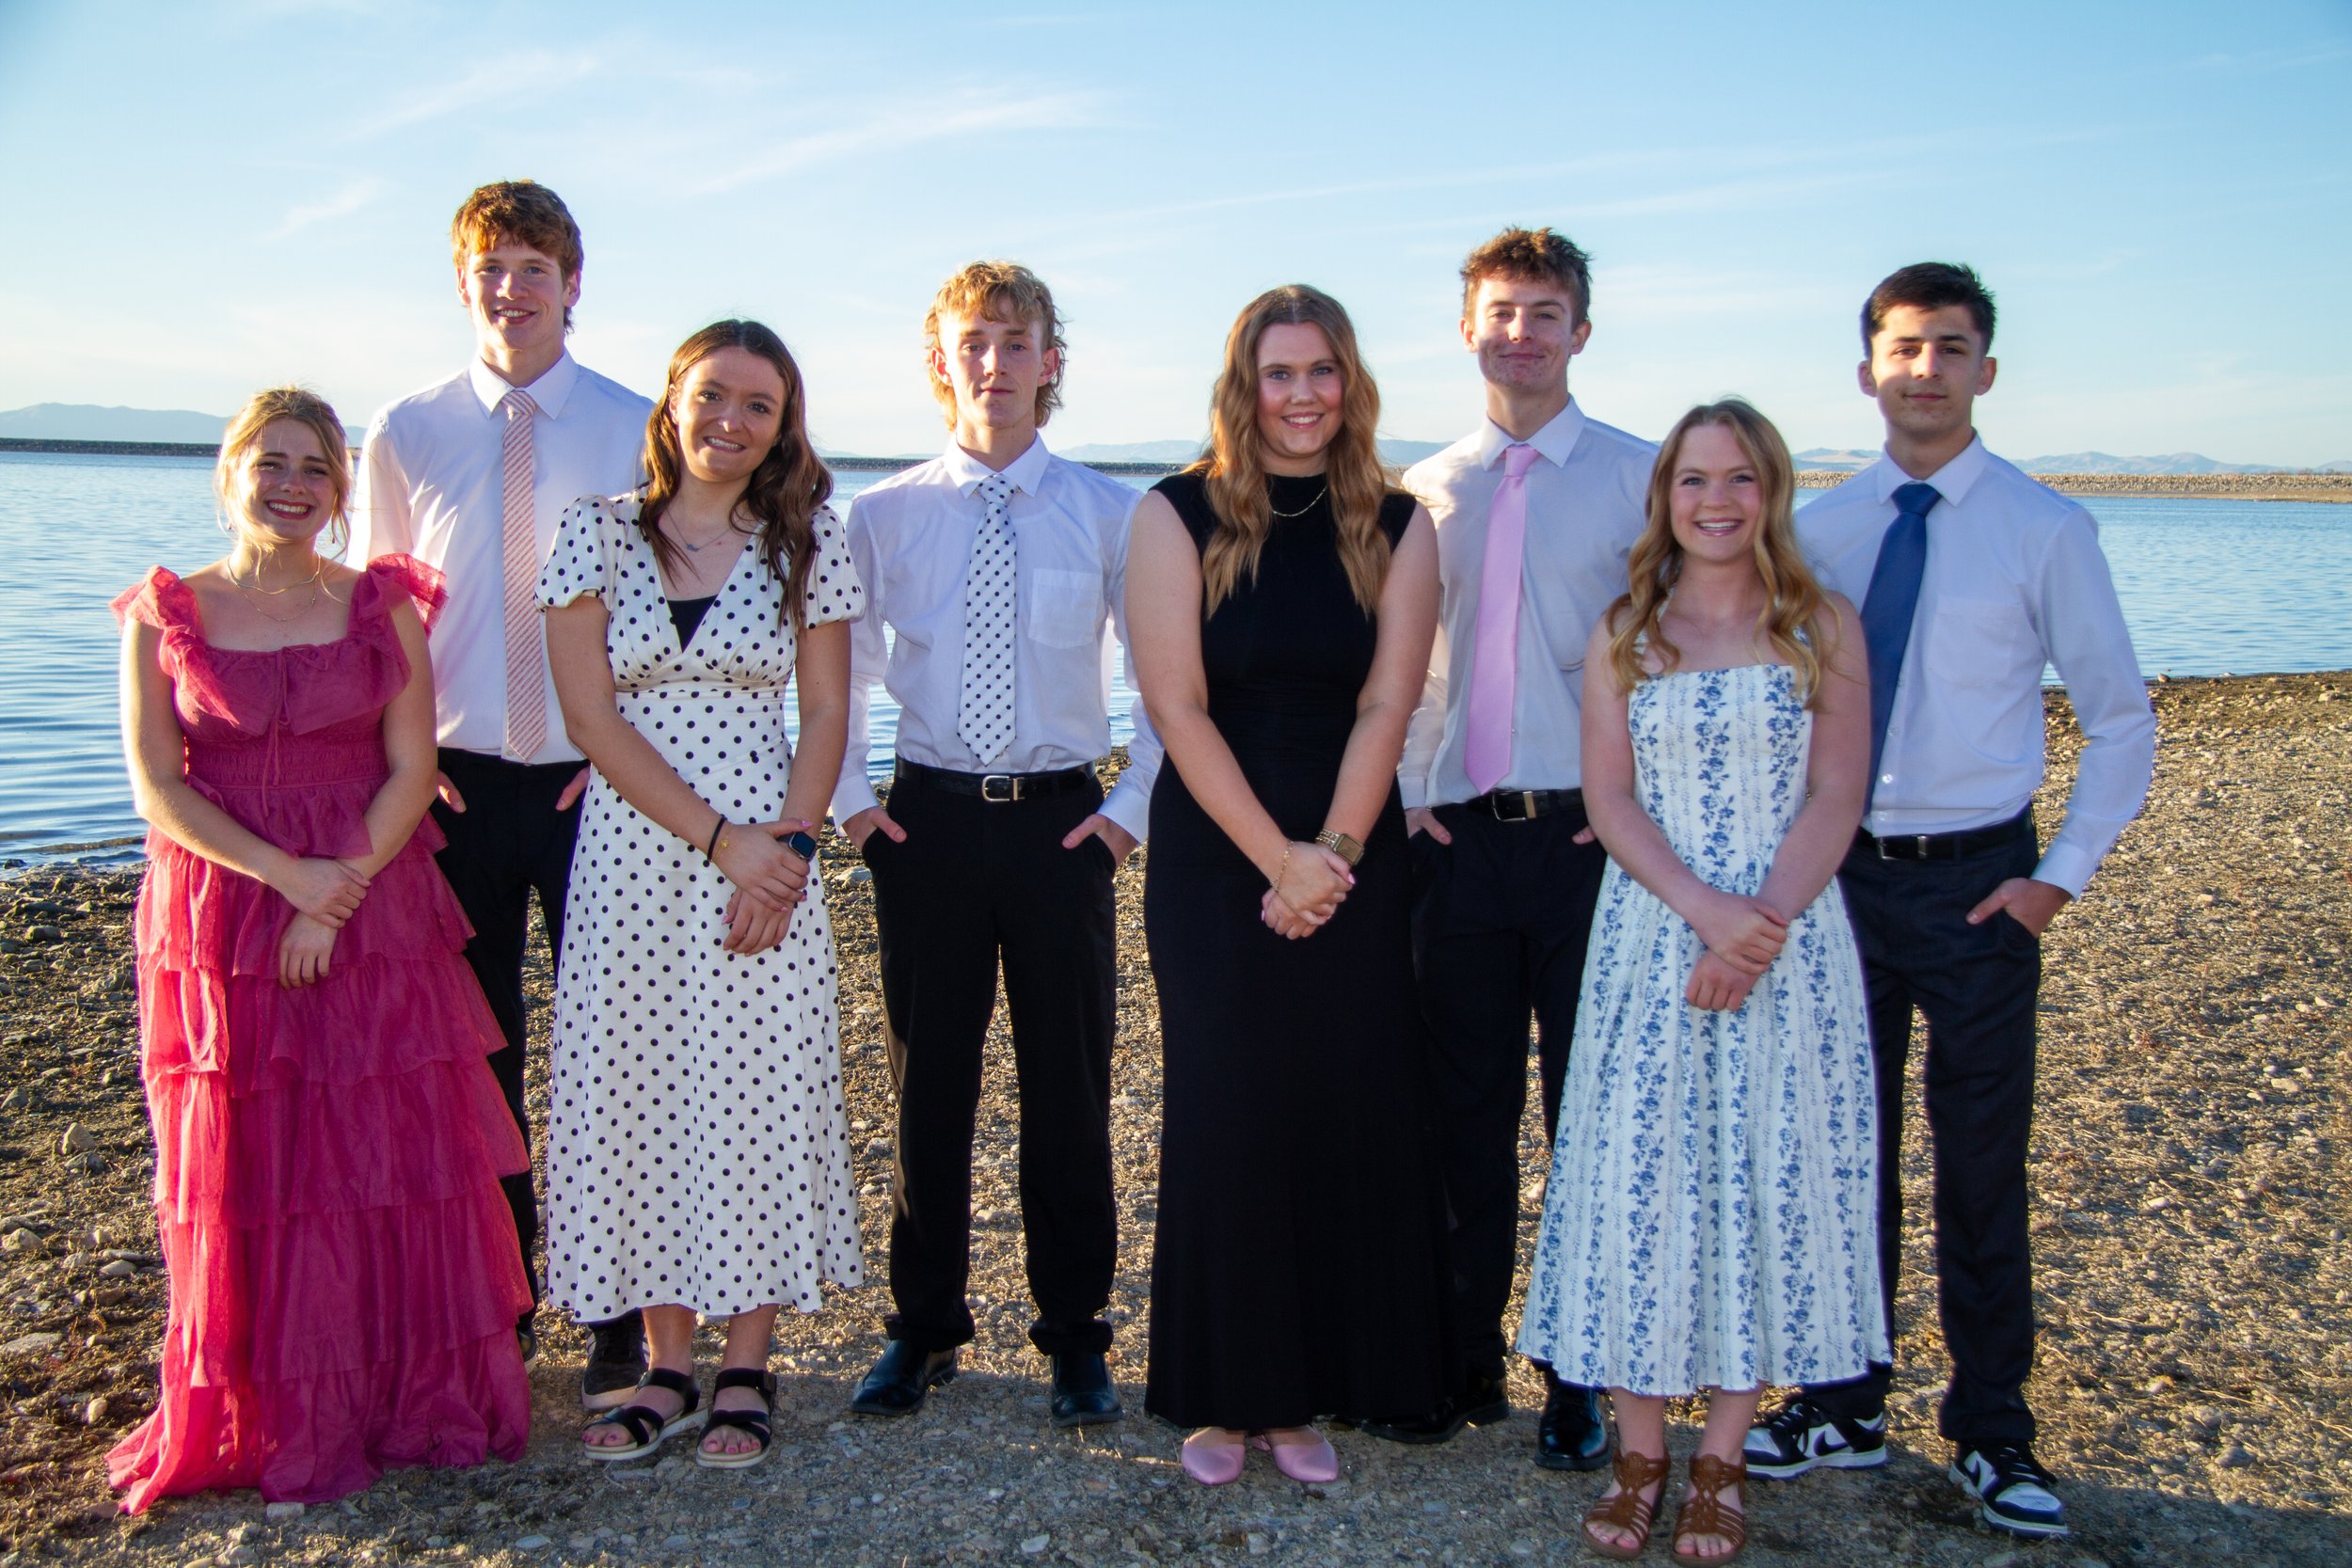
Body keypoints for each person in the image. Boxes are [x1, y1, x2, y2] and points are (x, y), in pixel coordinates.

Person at [1746, 264, 2156, 1542]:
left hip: (1983, 886)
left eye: (1952, 347)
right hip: (1839, 886)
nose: (1925, 368)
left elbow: (2123, 720)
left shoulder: (2045, 529)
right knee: (1839, 1157)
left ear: (1988, 370)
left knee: (1982, 1166)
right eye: (1903, 347)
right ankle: (1842, 1400)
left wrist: (2056, 878)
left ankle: (1992, 1429)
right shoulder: (1818, 531)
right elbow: (1774, 710)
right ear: (1867, 369)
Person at [109, 388, 532, 1510]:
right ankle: (268, 1403)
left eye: (315, 469)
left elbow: (410, 765)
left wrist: (331, 890)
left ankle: (402, 1391)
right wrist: (284, 879)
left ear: (343, 493)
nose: (292, 485)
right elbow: (156, 782)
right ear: (231, 469)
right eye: (271, 462)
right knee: (253, 1154)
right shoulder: (167, 611)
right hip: (224, 905)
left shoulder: (378, 603)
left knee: (384, 1141)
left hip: (372, 894)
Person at [1517, 400, 1881, 1564]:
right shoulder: (1629, 627)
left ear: (1770, 490)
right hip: (1649, 938)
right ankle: (1639, 1453)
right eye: (1691, 481)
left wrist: (1756, 924)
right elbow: (1609, 799)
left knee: (1758, 1184)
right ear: (1663, 497)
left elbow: (1835, 792)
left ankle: (1720, 1458)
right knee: (1638, 1180)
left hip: (1788, 945)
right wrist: (1704, 913)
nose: (1714, 501)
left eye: (1737, 479)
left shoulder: (1819, 623)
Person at [1126, 284, 1450, 1486]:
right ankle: (1223, 1393)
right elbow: (1173, 706)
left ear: (1349, 381)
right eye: (1278, 372)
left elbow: (1388, 701)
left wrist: (1338, 855)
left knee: (1341, 1097)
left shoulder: (1401, 521)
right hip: (1220, 849)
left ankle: (1311, 1387)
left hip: (1353, 844)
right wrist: (1277, 859)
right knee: (1227, 1101)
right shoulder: (1175, 512)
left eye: (1321, 371)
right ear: (1243, 384)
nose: (1302, 394)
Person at [832, 261, 1161, 1428]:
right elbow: (835, 676)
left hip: (1061, 825)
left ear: (1049, 361)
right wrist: (854, 807)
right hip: (924, 824)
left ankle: (1076, 1335)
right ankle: (922, 1329)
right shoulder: (878, 516)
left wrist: (1127, 815)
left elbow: (1168, 684)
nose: (994, 362)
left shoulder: (1114, 511)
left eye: (1016, 341)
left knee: (1068, 1090)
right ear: (939, 362)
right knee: (929, 1086)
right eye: (973, 341)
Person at [537, 320, 866, 1467]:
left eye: (760, 405)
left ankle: (746, 1361)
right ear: (672, 398)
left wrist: (784, 847)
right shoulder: (593, 533)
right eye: (713, 393)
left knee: (759, 1087)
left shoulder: (809, 538)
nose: (732, 419)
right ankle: (667, 1362)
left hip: (767, 857)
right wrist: (717, 838)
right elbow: (590, 718)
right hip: (635, 855)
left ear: (785, 425)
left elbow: (825, 714)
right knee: (639, 1088)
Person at [351, 180, 655, 1407]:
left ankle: (620, 1310)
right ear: (462, 282)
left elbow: (656, 602)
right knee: (477, 1058)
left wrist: (626, 753)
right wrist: (401, 776)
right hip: (456, 788)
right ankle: (499, 1299)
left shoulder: (641, 424)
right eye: (492, 266)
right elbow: (382, 622)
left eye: (535, 266)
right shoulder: (406, 429)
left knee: (609, 1057)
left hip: (603, 783)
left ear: (573, 283)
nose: (513, 289)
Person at [1370, 228, 1656, 1469]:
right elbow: (1399, 673)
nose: (1523, 334)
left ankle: (1581, 1373)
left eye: (1547, 313)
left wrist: (1636, 803)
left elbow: (1678, 652)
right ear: (1468, 326)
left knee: (1587, 1116)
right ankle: (1460, 1352)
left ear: (1581, 330)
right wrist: (1408, 795)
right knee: (1461, 1117)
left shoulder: (1648, 480)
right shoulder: (1419, 493)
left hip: (1594, 844)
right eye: (1503, 312)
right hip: (1455, 845)